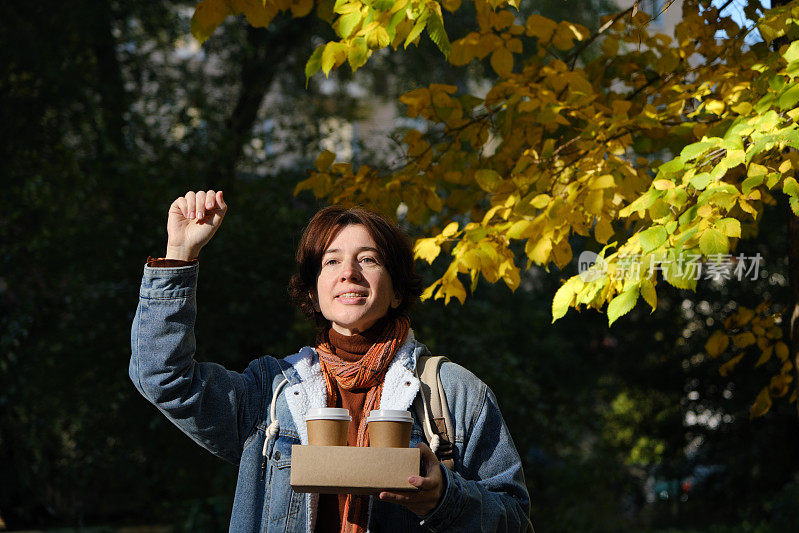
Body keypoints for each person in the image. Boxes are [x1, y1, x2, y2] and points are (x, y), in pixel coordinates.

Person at [129, 189, 533, 532]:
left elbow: (515, 518)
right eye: (331, 261)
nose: (349, 273)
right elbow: (164, 378)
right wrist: (179, 254)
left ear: (395, 291)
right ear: (313, 295)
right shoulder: (270, 393)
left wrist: (444, 498)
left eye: (369, 259)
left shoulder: (454, 393)